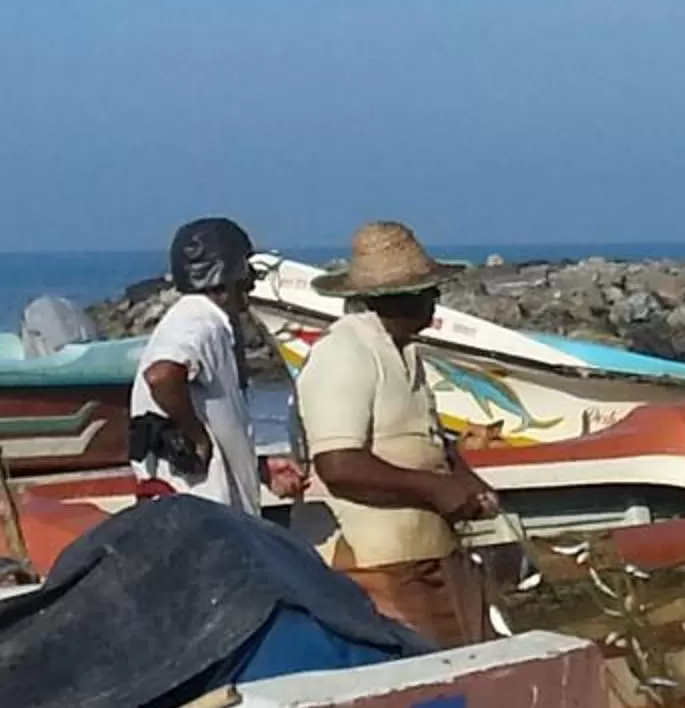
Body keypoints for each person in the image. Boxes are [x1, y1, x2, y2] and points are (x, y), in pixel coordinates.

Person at [294, 220, 499, 646]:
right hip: (379, 562)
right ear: (397, 298)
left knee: (471, 658)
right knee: (423, 674)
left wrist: (463, 479)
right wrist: (432, 489)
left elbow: (428, 437)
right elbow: (338, 463)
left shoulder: (405, 349)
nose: (435, 301)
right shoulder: (345, 353)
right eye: (427, 292)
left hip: (431, 552)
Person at [130, 216, 263, 514]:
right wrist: (194, 435)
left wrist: (261, 468)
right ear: (229, 272)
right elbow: (162, 375)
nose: (253, 281)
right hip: (199, 514)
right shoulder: (198, 321)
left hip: (208, 513)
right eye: (247, 267)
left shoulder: (207, 321)